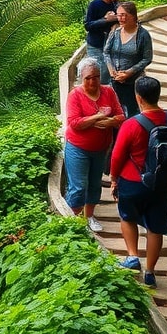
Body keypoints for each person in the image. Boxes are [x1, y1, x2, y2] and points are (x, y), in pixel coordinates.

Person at [109, 76, 167, 289]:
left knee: (127, 217)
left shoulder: (131, 124)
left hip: (133, 181)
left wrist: (114, 179)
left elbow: (117, 155)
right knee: (155, 227)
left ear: (138, 98)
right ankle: (150, 272)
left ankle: (132, 257)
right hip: (162, 183)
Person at [63, 57, 125, 232]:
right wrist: (97, 118)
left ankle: (89, 216)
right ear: (81, 78)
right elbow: (74, 123)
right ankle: (70, 221)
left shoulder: (108, 92)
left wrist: (110, 121)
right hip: (77, 148)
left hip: (100, 149)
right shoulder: (75, 95)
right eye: (88, 78)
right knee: (78, 187)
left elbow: (121, 116)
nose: (92, 81)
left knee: (94, 184)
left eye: (95, 77)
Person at [103, 1, 153, 120]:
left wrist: (129, 72)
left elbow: (147, 58)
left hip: (134, 81)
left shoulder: (143, 35)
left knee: (133, 112)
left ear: (133, 16)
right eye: (119, 15)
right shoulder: (115, 32)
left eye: (124, 15)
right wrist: (112, 71)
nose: (121, 18)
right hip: (115, 80)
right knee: (115, 110)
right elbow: (106, 52)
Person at [83, 0, 124, 83]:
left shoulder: (117, 5)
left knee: (109, 73)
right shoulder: (94, 4)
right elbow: (88, 25)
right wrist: (106, 20)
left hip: (111, 46)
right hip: (96, 46)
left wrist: (116, 18)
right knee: (99, 73)